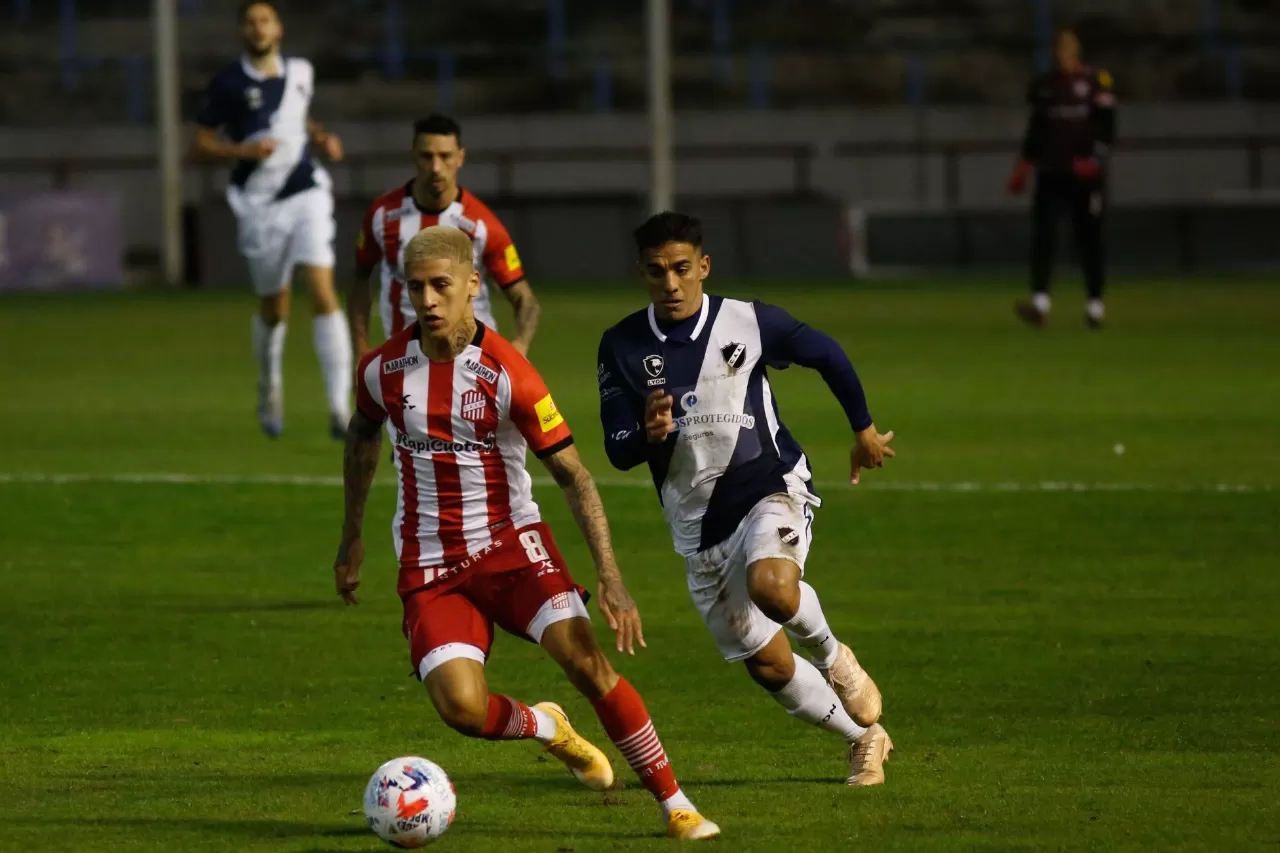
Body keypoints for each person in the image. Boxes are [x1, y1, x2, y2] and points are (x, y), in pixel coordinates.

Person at [333, 224, 719, 841]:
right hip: (430, 565)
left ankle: (676, 803)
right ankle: (550, 730)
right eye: (415, 288)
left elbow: (573, 475)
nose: (427, 300)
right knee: (461, 708)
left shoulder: (507, 371)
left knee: (587, 663)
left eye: (441, 286)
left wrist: (611, 578)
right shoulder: (383, 369)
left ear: (471, 286)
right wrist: (351, 536)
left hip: (512, 547)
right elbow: (361, 437)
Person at [597, 212, 896, 786]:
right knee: (769, 664)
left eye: (682, 269)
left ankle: (835, 657)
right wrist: (647, 432)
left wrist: (862, 429)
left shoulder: (749, 321)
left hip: (770, 484)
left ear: (703, 267)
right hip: (696, 524)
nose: (672, 283)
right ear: (643, 275)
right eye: (657, 272)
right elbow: (617, 448)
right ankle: (865, 739)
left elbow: (827, 354)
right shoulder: (621, 346)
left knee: (773, 588)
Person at [190, 1, 352, 438]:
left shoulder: (300, 72)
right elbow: (200, 143)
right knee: (274, 306)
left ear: (278, 28)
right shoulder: (228, 83)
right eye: (251, 22)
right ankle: (269, 386)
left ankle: (341, 407)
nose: (259, 28)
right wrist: (241, 151)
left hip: (305, 188)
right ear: (242, 31)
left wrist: (321, 138)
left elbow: (301, 118)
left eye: (266, 20)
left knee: (321, 289)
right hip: (259, 202)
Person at [349, 113, 540, 359]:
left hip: (473, 362)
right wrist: (361, 349)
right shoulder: (382, 215)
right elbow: (360, 281)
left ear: (460, 157)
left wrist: (521, 345)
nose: (436, 168)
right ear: (414, 156)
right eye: (427, 156)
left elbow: (526, 300)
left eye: (445, 156)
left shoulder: (483, 225)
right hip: (405, 362)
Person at [1006, 27, 1117, 329]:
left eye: (1067, 48)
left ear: (1076, 51)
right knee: (1044, 236)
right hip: (1052, 173)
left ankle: (1095, 306)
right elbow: (1035, 132)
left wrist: (1095, 160)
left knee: (1090, 240)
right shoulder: (1044, 86)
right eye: (1058, 48)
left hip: (1086, 178)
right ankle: (1040, 303)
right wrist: (1023, 168)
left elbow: (1108, 129)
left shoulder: (1096, 81)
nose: (1062, 54)